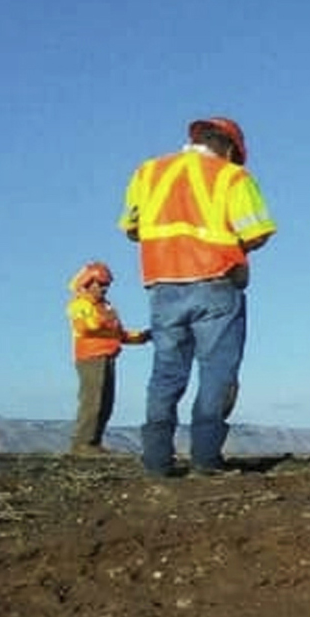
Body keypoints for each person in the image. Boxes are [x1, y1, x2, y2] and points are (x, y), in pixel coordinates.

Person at [118, 116, 276, 476]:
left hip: (162, 284)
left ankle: (157, 460)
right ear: (231, 148)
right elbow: (258, 231)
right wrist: (236, 254)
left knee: (166, 373)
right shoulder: (232, 176)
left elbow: (132, 229)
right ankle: (205, 458)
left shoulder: (147, 172)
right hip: (216, 284)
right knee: (216, 371)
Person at [65, 261, 148, 456]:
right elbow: (84, 327)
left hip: (108, 356)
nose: (104, 288)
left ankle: (93, 442)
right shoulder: (79, 304)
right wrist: (106, 322)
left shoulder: (106, 307)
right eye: (100, 284)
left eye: (106, 285)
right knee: (92, 401)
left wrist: (142, 337)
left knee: (105, 402)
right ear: (87, 282)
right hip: (90, 357)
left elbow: (119, 334)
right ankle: (82, 443)